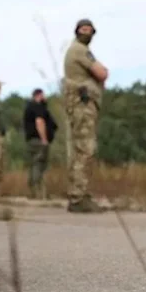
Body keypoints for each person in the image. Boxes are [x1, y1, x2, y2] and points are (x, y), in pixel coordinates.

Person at [62, 18, 109, 213]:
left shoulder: (77, 49)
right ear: (77, 31)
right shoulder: (80, 50)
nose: (86, 32)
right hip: (82, 106)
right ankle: (78, 197)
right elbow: (102, 73)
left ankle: (78, 193)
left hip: (81, 107)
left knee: (81, 149)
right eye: (83, 29)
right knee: (85, 149)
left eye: (90, 29)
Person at [23, 88, 57, 199]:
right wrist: (44, 139)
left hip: (31, 140)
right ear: (39, 95)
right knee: (39, 164)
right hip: (38, 140)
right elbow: (40, 122)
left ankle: (34, 192)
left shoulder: (29, 107)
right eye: (43, 95)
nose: (45, 98)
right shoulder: (37, 107)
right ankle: (38, 192)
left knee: (34, 164)